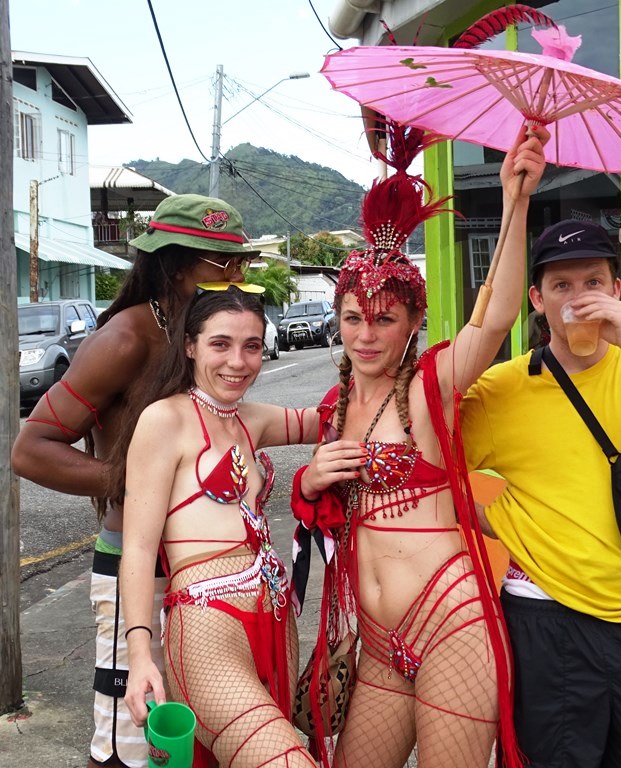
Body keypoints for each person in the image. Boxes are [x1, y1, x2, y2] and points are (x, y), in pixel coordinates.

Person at [290, 123, 547, 768]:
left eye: (384, 319)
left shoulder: (430, 387)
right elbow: (249, 417)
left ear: (412, 323)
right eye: (353, 318)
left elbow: (495, 317)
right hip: (377, 643)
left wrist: (517, 200)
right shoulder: (338, 404)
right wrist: (312, 477)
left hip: (449, 628)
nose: (366, 335)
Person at [11, 193, 259, 768]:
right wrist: (132, 486)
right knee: (131, 734)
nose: (237, 277)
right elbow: (32, 448)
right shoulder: (126, 337)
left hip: (206, 565)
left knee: (199, 725)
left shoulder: (204, 333)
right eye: (222, 265)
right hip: (135, 566)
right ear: (174, 264)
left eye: (240, 263)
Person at [460, 220, 621, 768]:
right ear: (537, 298)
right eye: (562, 286)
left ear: (617, 289)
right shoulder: (502, 388)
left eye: (594, 282)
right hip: (543, 619)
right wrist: (497, 519)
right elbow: (434, 472)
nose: (580, 299)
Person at [120, 284, 320, 768]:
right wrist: (141, 655)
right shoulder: (163, 420)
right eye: (220, 344)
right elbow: (140, 550)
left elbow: (338, 418)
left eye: (252, 345)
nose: (238, 361)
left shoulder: (252, 419)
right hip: (208, 630)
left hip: (275, 628)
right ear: (190, 345)